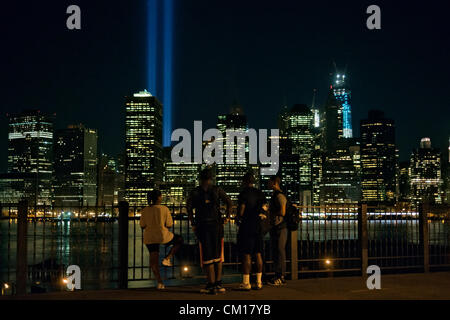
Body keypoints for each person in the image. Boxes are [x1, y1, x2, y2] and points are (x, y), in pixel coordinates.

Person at [186, 168, 232, 295]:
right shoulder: (217, 190)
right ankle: (218, 283)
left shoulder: (195, 192)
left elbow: (189, 208)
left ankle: (210, 285)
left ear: (200, 179)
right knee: (218, 255)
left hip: (202, 225)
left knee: (207, 256)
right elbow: (229, 202)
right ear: (211, 178)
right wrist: (227, 217)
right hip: (217, 225)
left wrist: (193, 223)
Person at [140, 190, 183, 290]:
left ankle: (160, 283)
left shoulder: (145, 210)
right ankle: (167, 258)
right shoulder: (164, 209)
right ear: (159, 198)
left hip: (149, 237)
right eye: (161, 196)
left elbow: (142, 225)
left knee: (153, 260)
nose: (162, 197)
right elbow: (169, 224)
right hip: (162, 235)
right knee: (179, 240)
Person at [236, 172, 267, 291]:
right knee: (258, 253)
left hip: (247, 226)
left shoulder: (244, 193)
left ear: (244, 181)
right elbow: (264, 208)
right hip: (258, 226)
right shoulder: (260, 193)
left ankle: (246, 282)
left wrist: (238, 217)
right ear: (253, 181)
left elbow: (242, 211)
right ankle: (259, 282)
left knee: (246, 254)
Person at [267, 175, 287, 286]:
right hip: (275, 227)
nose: (268, 184)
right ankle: (277, 275)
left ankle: (281, 276)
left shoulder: (279, 196)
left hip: (280, 227)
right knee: (276, 252)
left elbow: (283, 212)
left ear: (275, 183)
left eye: (269, 182)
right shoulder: (274, 195)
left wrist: (271, 213)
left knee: (280, 251)